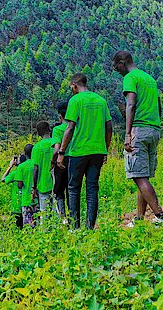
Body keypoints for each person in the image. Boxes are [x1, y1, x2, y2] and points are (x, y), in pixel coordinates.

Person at [112, 50, 163, 227]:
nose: (117, 71)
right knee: (143, 176)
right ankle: (140, 218)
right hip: (154, 129)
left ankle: (160, 216)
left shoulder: (130, 78)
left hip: (139, 130)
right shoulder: (149, 79)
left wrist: (128, 134)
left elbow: (131, 104)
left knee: (138, 177)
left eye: (116, 68)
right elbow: (159, 105)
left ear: (122, 63)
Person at [55, 73, 113, 230]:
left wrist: (61, 152)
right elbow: (109, 127)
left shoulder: (75, 101)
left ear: (74, 85)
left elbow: (70, 127)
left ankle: (75, 227)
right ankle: (90, 227)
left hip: (79, 151)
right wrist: (105, 150)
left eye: (71, 87)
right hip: (97, 151)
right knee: (92, 188)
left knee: (74, 189)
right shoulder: (101, 100)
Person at [31, 121, 57, 214]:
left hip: (43, 184)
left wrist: (34, 187)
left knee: (44, 213)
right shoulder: (57, 143)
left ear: (38, 133)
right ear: (49, 129)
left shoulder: (37, 147)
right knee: (57, 212)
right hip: (57, 183)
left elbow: (35, 169)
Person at [51, 101, 70, 217]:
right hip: (74, 160)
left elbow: (56, 149)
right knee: (71, 190)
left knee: (59, 191)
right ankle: (73, 217)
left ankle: (62, 217)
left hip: (61, 162)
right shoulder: (75, 128)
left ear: (60, 116)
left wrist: (53, 161)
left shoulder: (57, 130)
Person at [16, 144, 37, 227]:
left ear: (24, 153)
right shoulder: (36, 164)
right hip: (37, 199)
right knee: (38, 223)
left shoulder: (21, 167)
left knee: (28, 225)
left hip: (26, 199)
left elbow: (20, 185)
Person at [2, 155, 23, 229]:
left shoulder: (15, 173)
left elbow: (3, 179)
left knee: (15, 228)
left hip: (17, 206)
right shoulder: (31, 169)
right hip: (29, 204)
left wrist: (10, 166)